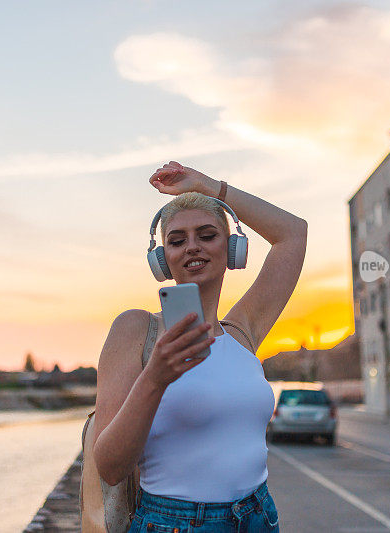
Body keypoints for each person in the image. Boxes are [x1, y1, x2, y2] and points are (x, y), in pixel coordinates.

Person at [92, 161, 307, 532]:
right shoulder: (136, 329)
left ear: (232, 248)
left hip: (257, 516)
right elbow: (109, 467)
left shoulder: (242, 332)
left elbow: (293, 233)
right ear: (163, 260)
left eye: (207, 234)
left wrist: (211, 187)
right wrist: (156, 377)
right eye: (176, 241)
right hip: (174, 523)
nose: (192, 246)